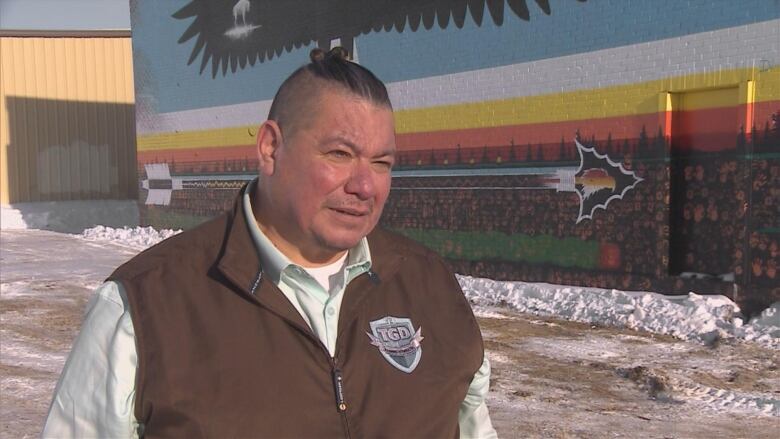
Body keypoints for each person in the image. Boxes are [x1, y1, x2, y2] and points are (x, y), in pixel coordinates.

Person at [43, 48, 497, 438]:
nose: (365, 186)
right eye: (339, 154)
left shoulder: (428, 284)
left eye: (381, 162)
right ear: (269, 148)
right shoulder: (145, 305)